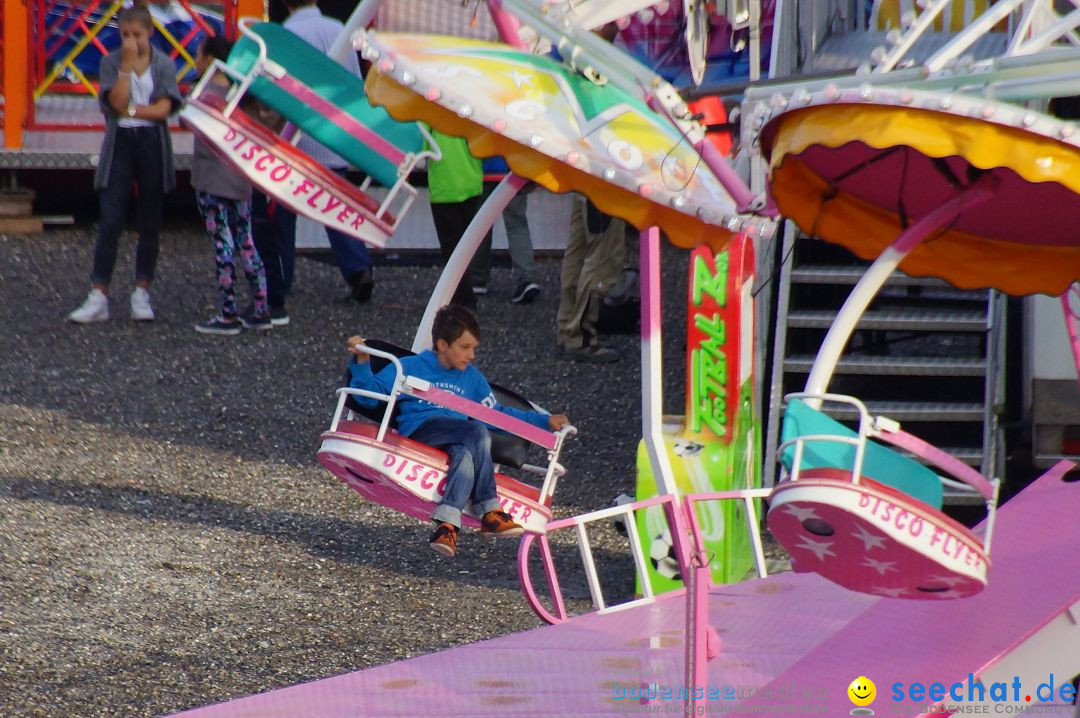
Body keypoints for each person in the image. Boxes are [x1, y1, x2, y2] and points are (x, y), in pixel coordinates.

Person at [346, 304, 570, 557]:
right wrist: (362, 359)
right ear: (442, 345)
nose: (472, 354)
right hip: (422, 430)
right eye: (465, 347)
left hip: (457, 436)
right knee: (474, 432)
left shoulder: (472, 379)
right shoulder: (410, 366)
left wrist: (544, 422)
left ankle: (447, 526)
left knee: (464, 454)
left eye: (474, 348)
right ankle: (489, 509)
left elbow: (497, 415)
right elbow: (369, 398)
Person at [67, 4, 181, 324]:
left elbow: (163, 109)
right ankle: (98, 292)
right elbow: (113, 103)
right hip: (120, 144)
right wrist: (127, 69)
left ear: (150, 34)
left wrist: (131, 112)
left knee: (150, 218)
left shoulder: (164, 64)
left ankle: (142, 290)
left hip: (151, 144)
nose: (131, 41)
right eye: (125, 35)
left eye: (137, 35)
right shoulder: (111, 62)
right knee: (112, 217)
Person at [280, 0, 375, 305]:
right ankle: (358, 268)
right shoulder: (339, 29)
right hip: (335, 134)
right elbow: (356, 85)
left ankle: (280, 278)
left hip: (298, 135)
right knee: (336, 207)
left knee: (282, 210)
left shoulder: (286, 34)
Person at [190, 37, 271, 335]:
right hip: (241, 179)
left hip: (211, 179)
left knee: (223, 245)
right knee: (246, 242)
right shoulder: (243, 95)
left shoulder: (204, 93)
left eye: (198, 55)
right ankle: (261, 307)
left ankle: (228, 313)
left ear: (211, 60)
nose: (195, 62)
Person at [555, 197, 627, 362]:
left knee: (578, 253)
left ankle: (568, 329)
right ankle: (581, 337)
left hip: (585, 184)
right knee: (603, 258)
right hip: (605, 187)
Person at [426, 130, 488, 308]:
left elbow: (421, 141)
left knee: (451, 248)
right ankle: (463, 296)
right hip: (472, 179)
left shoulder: (430, 107)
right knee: (465, 246)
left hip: (445, 184)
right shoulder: (468, 103)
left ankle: (462, 299)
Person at [468, 158, 542, 304]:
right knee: (516, 223)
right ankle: (527, 277)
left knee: (481, 224)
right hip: (513, 168)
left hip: (481, 168)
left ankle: (477, 277)